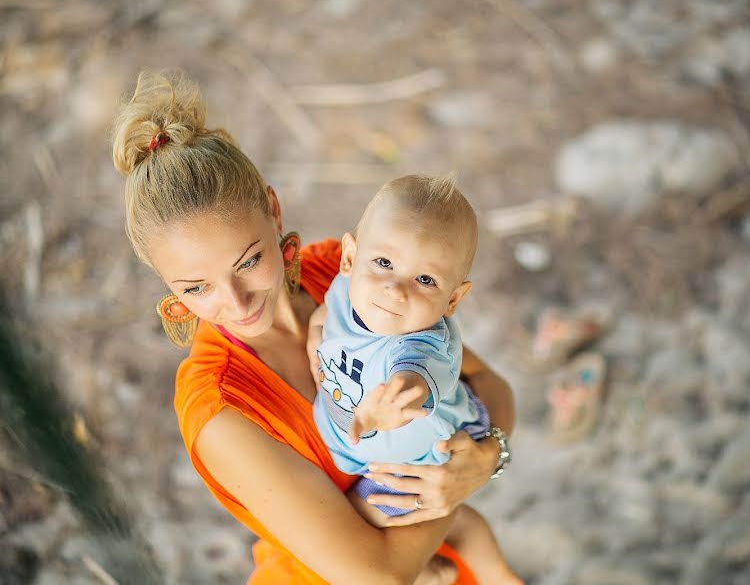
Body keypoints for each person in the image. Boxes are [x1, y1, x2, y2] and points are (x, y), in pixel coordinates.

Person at [111, 70, 516, 584]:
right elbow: (379, 577)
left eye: (248, 260)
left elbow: (488, 386)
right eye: (195, 288)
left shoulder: (351, 276)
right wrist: (448, 500)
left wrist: (485, 460)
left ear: (274, 211)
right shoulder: (221, 411)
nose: (235, 303)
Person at [308, 174, 521, 583]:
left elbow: (412, 381)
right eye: (384, 263)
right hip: (372, 449)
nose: (395, 289)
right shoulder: (343, 292)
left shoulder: (420, 345)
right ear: (349, 259)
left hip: (425, 453)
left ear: (453, 299)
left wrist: (385, 411)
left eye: (426, 280)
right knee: (452, 524)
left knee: (357, 517)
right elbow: (331, 312)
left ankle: (488, 577)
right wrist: (317, 331)